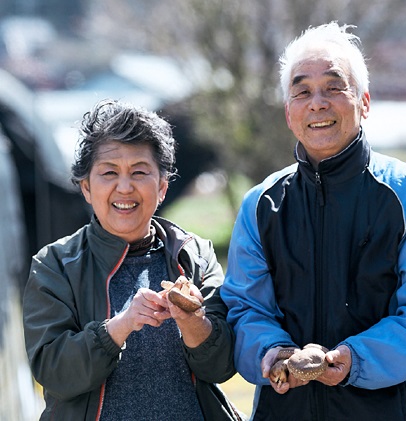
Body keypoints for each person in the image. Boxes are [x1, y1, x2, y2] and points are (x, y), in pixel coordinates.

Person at [220, 22, 406, 420]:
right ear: (288, 113)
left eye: (334, 88)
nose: (317, 103)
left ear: (364, 103)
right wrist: (274, 353)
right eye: (302, 92)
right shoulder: (261, 205)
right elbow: (245, 308)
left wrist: (355, 360)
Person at [22, 99, 241, 421]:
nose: (124, 188)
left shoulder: (194, 255)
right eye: (109, 173)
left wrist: (194, 321)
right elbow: (53, 372)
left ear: (163, 187)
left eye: (139, 172)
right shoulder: (55, 264)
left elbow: (222, 366)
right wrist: (120, 326)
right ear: (86, 188)